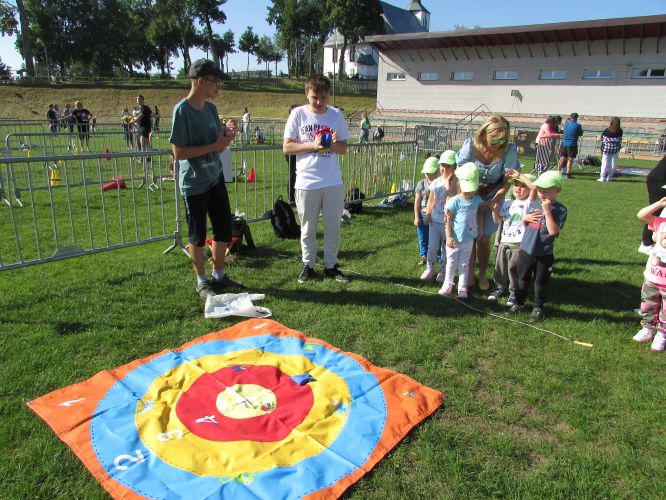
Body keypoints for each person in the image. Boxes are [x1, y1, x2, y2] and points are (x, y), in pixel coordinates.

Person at [169, 58, 242, 297]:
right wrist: (214, 145)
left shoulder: (211, 109)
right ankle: (201, 281)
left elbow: (218, 146)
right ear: (200, 81)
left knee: (223, 230)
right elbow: (178, 152)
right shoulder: (182, 111)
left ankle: (219, 276)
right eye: (215, 81)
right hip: (194, 184)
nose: (219, 86)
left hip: (215, 177)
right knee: (197, 236)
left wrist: (228, 135)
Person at [283, 73, 350, 283]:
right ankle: (308, 265)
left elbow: (344, 148)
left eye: (323, 97)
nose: (319, 102)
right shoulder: (298, 114)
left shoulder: (336, 115)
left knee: (333, 227)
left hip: (332, 182)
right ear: (307, 94)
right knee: (307, 228)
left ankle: (331, 266)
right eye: (315, 98)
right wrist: (313, 145)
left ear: (328, 95)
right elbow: (287, 147)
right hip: (306, 182)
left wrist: (332, 145)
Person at [455, 114, 521, 291]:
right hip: (470, 193)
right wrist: (471, 198)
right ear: (484, 134)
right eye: (495, 140)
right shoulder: (471, 146)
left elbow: (509, 179)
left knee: (483, 239)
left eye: (503, 140)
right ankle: (468, 275)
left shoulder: (509, 150)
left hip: (493, 195)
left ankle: (483, 273)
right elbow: (460, 170)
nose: (499, 144)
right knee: (469, 236)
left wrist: (495, 200)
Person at [509, 170, 568, 322]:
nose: (542, 194)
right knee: (522, 278)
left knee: (540, 282)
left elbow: (553, 232)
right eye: (540, 190)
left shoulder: (560, 210)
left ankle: (538, 307)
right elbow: (533, 187)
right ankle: (518, 302)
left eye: (546, 191)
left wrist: (547, 212)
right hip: (526, 250)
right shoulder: (534, 202)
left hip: (544, 253)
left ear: (557, 190)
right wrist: (525, 218)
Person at [487, 172, 536, 304]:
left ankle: (514, 292)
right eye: (515, 185)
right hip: (504, 241)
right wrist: (494, 210)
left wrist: (519, 175)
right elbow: (498, 221)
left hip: (519, 244)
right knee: (500, 267)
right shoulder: (508, 202)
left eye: (522, 186)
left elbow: (534, 187)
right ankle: (500, 287)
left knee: (514, 269)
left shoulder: (529, 203)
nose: (517, 188)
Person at [439, 162, 484, 298]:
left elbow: (481, 213)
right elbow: (448, 220)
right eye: (467, 189)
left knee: (464, 264)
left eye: (471, 190)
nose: (469, 192)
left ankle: (462, 287)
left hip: (468, 239)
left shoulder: (477, 200)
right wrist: (449, 236)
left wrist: (480, 228)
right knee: (451, 263)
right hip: (454, 239)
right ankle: (448, 284)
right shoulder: (455, 201)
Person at [633, 196, 666, 353]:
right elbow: (641, 215)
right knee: (648, 303)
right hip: (652, 276)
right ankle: (647, 328)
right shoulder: (661, 223)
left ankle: (662, 334)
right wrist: (659, 204)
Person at [421, 151, 457, 281]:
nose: (444, 169)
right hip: (434, 221)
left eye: (448, 166)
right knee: (432, 246)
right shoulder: (436, 182)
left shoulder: (456, 183)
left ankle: (443, 271)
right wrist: (428, 213)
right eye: (442, 165)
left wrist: (450, 182)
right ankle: (430, 268)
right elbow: (431, 200)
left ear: (455, 167)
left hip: (448, 222)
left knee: (446, 247)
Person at [414, 156, 440, 266]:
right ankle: (424, 255)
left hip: (436, 215)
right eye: (426, 172)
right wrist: (417, 217)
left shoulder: (440, 183)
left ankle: (439, 256)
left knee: (437, 237)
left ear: (437, 171)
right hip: (423, 214)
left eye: (430, 172)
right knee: (423, 237)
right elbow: (417, 201)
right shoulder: (421, 184)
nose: (428, 174)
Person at [640, 155, 666, 255]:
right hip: (658, 181)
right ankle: (646, 244)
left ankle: (656, 238)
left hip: (660, 180)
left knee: (657, 212)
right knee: (655, 211)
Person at [557, 112, 583, 179]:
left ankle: (557, 172)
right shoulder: (578, 125)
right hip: (572, 144)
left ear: (570, 117)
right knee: (570, 159)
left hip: (564, 143)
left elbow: (563, 131)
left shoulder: (566, 124)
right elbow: (580, 133)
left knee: (562, 158)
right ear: (576, 118)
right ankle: (568, 174)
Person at [597, 117, 623, 182]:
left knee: (604, 163)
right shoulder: (620, 131)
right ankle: (609, 177)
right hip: (615, 150)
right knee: (613, 164)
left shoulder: (607, 130)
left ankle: (602, 177)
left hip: (606, 149)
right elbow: (620, 140)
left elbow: (602, 139)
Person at [285, 104, 299, 206]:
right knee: (293, 173)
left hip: (296, 150)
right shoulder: (291, 124)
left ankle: (294, 196)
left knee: (296, 173)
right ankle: (291, 198)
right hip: (292, 151)